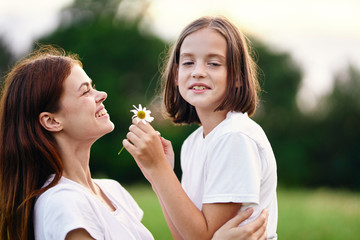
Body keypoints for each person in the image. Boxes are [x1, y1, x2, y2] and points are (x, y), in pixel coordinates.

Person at [0, 46, 268, 240]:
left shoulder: (113, 192)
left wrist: (157, 174)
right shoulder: (63, 205)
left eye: (93, 85)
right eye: (85, 91)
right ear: (51, 121)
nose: (101, 94)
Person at [123, 16, 278, 240]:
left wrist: (159, 168)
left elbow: (201, 236)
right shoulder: (192, 143)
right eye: (188, 62)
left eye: (213, 63)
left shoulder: (234, 137)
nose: (198, 72)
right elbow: (184, 236)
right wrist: (158, 177)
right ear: (176, 75)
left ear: (237, 77)